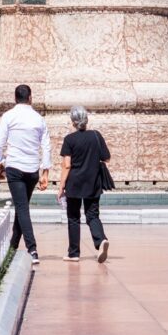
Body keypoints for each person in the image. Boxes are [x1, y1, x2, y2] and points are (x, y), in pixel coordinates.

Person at [0, 84, 51, 267]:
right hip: (32, 170)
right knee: (21, 207)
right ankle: (12, 247)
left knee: (22, 208)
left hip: (15, 168)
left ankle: (32, 249)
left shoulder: (8, 117)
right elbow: (46, 146)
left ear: (15, 98)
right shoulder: (39, 119)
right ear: (30, 97)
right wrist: (45, 172)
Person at [57, 105, 110, 263]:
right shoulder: (96, 135)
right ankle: (101, 241)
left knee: (73, 217)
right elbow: (106, 158)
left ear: (73, 121)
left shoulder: (69, 139)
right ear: (86, 120)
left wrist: (61, 187)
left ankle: (74, 253)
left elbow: (67, 165)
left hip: (74, 183)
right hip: (93, 182)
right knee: (92, 215)